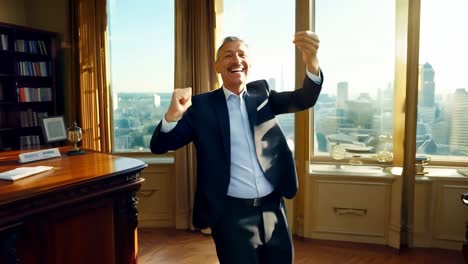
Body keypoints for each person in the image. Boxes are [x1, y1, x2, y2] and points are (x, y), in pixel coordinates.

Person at [150, 31, 323, 264]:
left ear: (249, 64)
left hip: (273, 209)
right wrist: (172, 115)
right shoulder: (201, 106)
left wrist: (311, 60)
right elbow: (160, 145)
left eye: (242, 54)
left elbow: (305, 98)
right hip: (231, 215)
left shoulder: (263, 96)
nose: (236, 59)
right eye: (228, 55)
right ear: (217, 67)